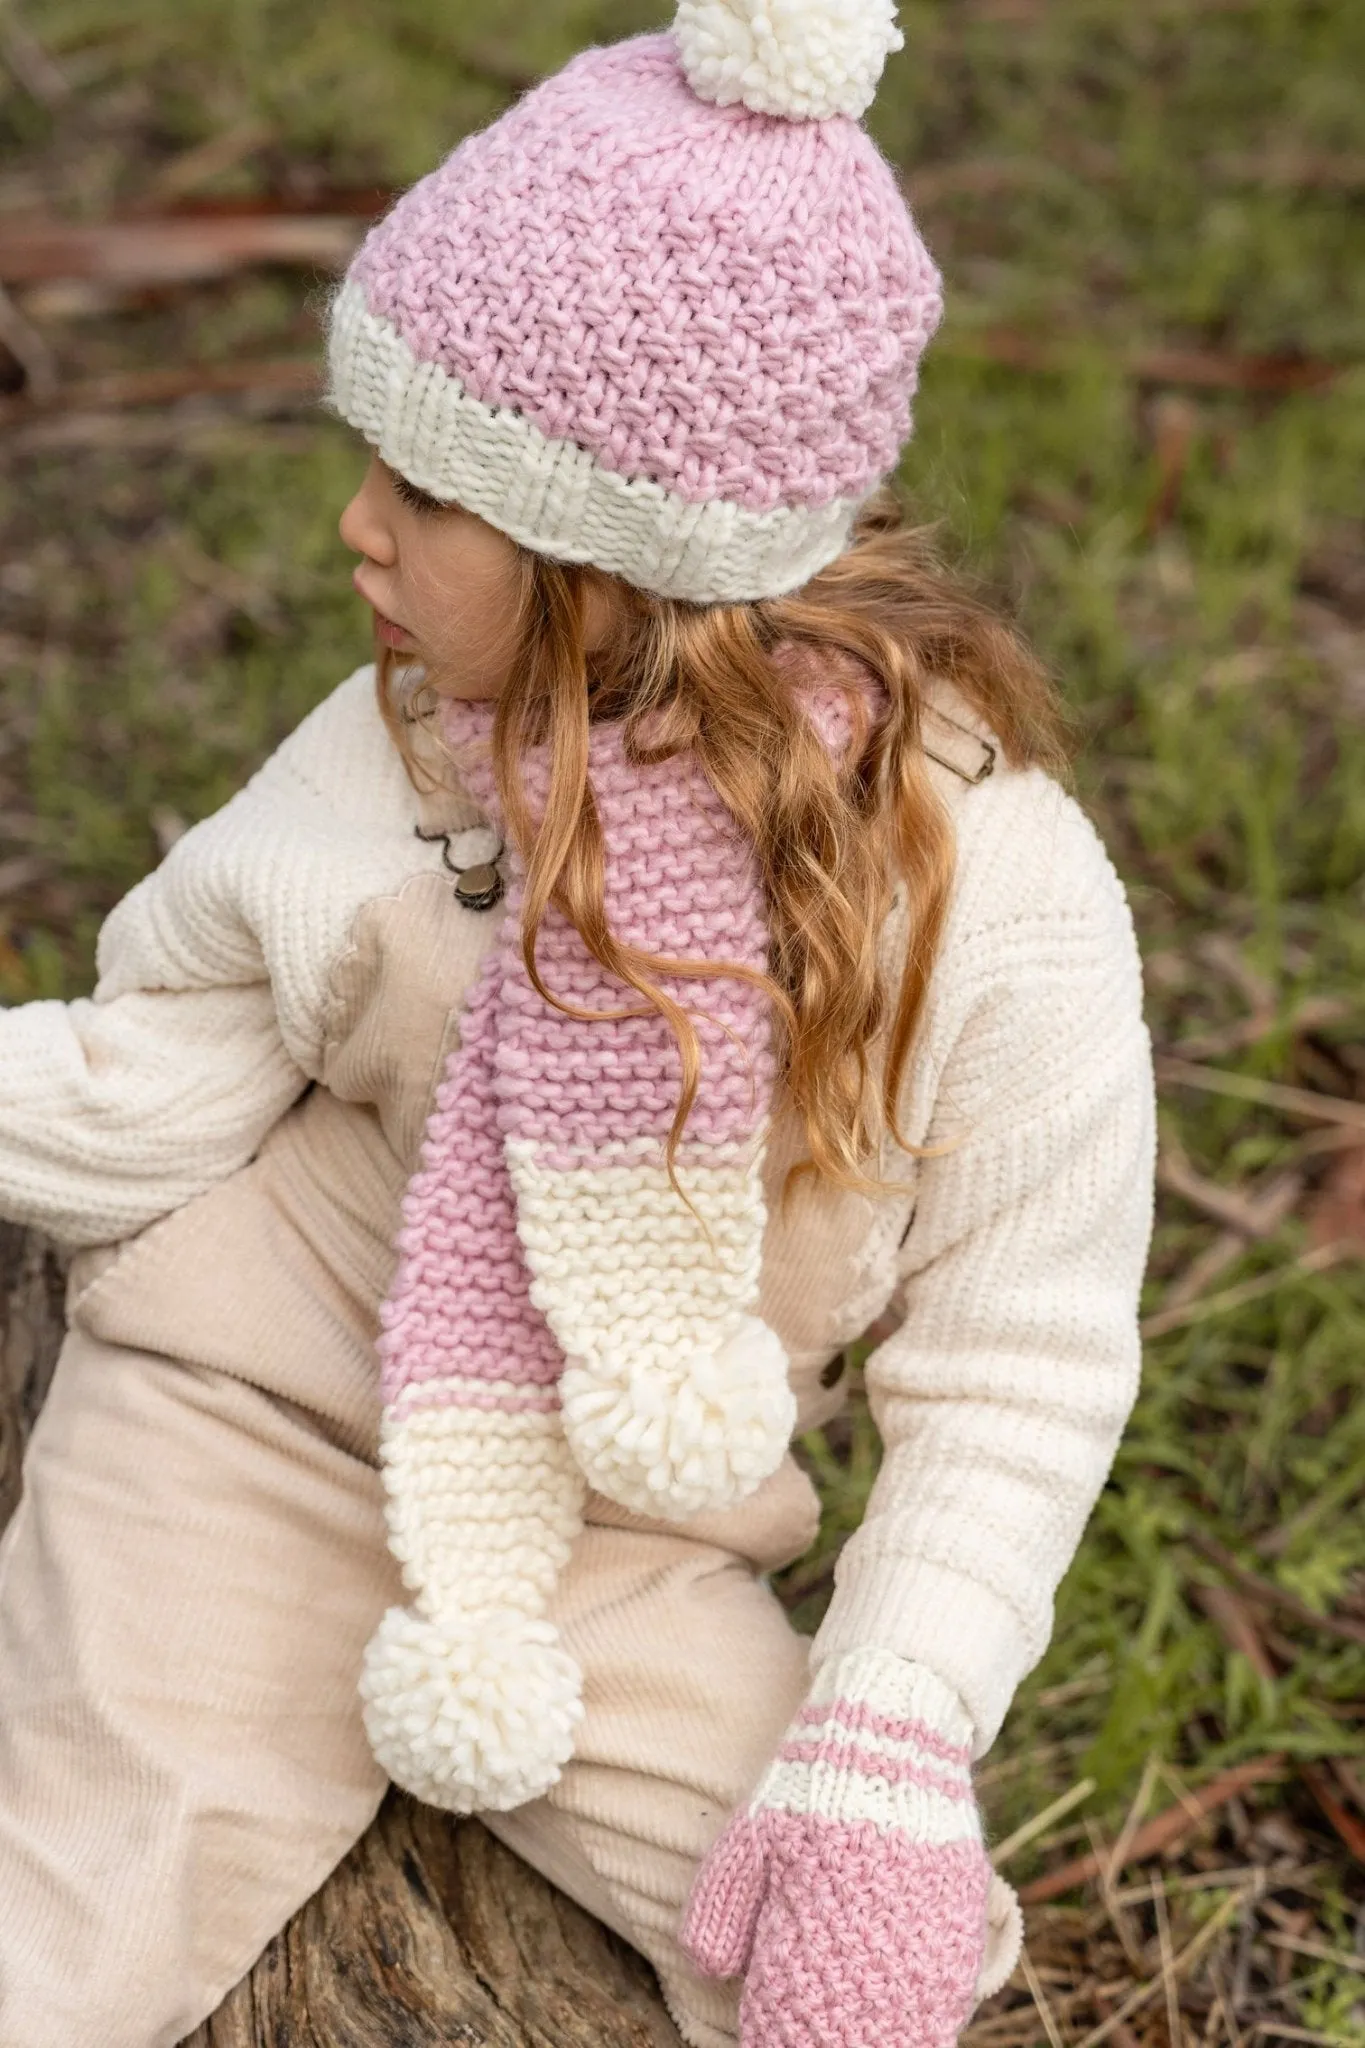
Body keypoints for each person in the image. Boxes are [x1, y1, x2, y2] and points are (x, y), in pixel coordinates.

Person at [0, 2, 1155, 2043]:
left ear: (632, 569)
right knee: (55, 1925)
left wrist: (884, 1725)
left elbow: (1017, 1367)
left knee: (848, 1956)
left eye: (430, 495)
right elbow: (155, 1073)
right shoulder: (392, 765)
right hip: (237, 1429)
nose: (357, 526)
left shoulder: (993, 902)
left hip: (626, 1540)